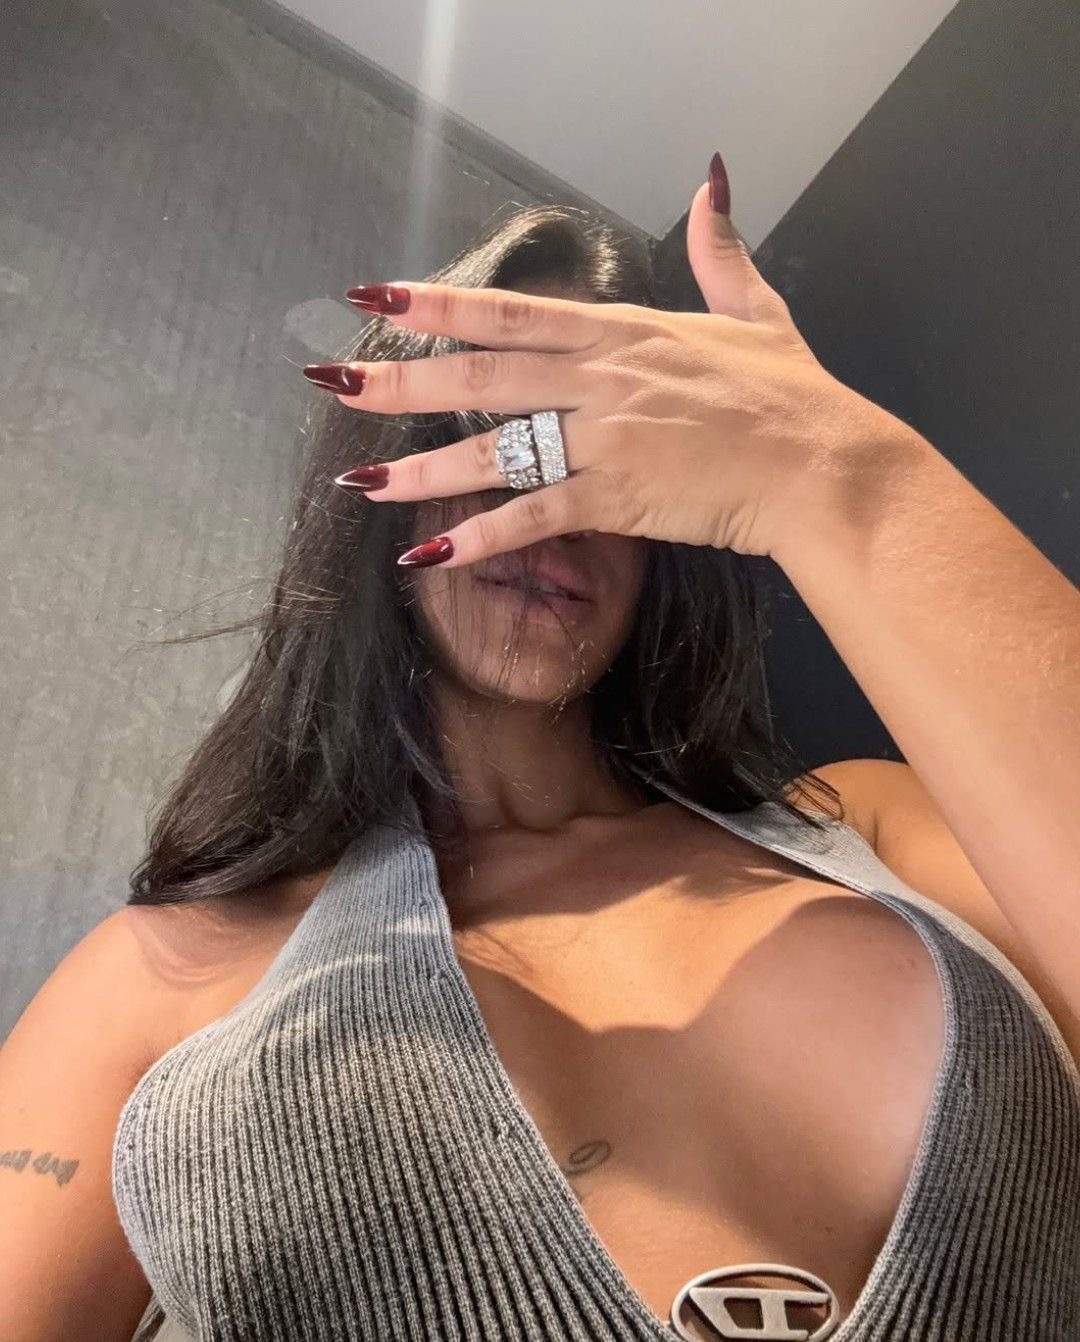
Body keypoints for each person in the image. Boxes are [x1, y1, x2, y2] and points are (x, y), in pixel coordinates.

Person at [2, 154, 1078, 1342]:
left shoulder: (869, 824)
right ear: (384, 482)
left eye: (590, 455)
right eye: (486, 439)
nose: (538, 507)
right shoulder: (165, 974)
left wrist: (834, 469)